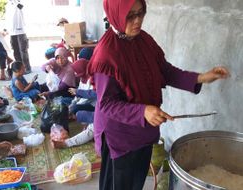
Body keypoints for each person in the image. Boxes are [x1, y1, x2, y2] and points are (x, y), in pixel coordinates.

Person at [87, 0, 230, 189]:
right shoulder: (106, 54)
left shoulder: (143, 39)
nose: (138, 21)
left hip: (143, 130)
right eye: (130, 16)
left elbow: (165, 71)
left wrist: (202, 77)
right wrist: (143, 112)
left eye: (141, 13)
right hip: (120, 137)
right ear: (116, 14)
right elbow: (107, 104)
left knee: (135, 181)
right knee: (120, 184)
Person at [6, 0, 32, 74]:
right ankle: (19, 68)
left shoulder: (20, 2)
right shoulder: (8, 4)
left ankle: (27, 68)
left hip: (21, 30)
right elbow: (7, 16)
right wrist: (6, 28)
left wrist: (15, 1)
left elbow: (21, 7)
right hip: (12, 31)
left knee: (23, 50)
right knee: (15, 50)